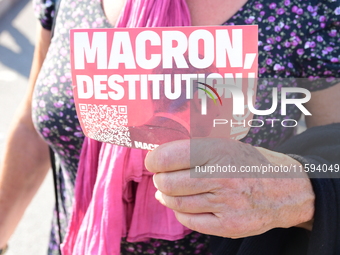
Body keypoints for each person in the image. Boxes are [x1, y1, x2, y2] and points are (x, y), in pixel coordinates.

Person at [0, 0, 339, 255]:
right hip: (75, 242)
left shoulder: (310, 9)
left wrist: (294, 192)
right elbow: (33, 128)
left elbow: (332, 167)